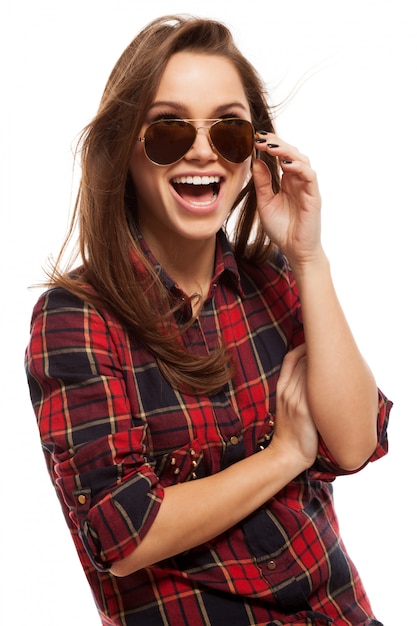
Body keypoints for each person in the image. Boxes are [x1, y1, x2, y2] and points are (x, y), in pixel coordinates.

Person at [25, 14, 392, 626]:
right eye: (169, 130)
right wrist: (285, 454)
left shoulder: (275, 280)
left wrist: (308, 256)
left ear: (255, 151)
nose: (202, 149)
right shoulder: (75, 319)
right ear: (124, 148)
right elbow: (125, 533)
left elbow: (355, 444)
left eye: (228, 131)